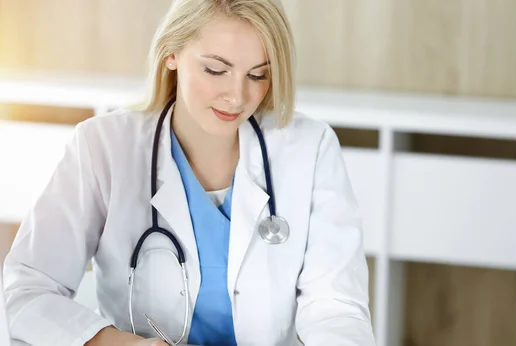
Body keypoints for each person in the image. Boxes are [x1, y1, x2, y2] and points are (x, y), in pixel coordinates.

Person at [2, 0, 376, 345]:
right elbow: (28, 289)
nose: (237, 96)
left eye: (258, 75)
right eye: (216, 69)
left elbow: (336, 309)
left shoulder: (310, 149)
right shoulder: (104, 147)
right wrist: (114, 343)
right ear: (172, 54)